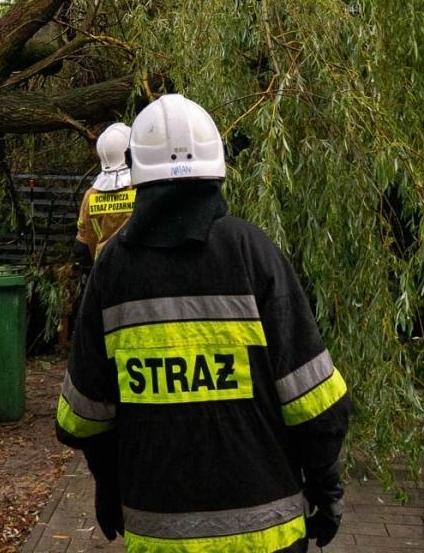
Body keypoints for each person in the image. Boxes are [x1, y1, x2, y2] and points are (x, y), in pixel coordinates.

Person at [56, 94, 351, 552]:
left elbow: (84, 415)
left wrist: (107, 482)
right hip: (268, 531)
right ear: (217, 167)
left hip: (158, 534)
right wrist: (325, 488)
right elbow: (314, 402)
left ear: (138, 174)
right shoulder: (252, 252)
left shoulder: (112, 269)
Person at [73, 122, 136, 268]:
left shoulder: (91, 195)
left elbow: (81, 246)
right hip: (135, 273)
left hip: (102, 272)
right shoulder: (140, 189)